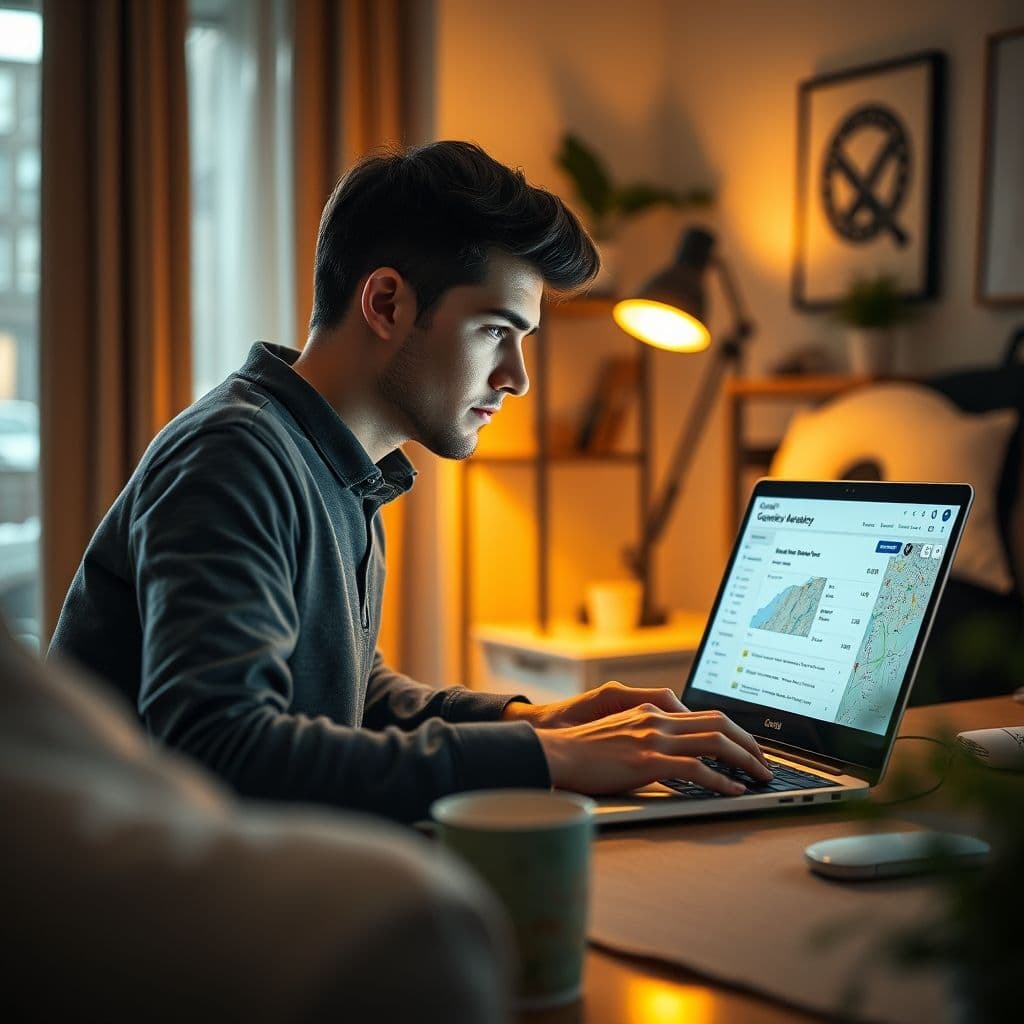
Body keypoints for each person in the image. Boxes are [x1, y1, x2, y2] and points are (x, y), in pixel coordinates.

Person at [50, 140, 772, 823]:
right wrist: (546, 756)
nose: (516, 379)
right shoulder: (234, 458)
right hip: (129, 917)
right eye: (496, 331)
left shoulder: (333, 466)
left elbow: (349, 699)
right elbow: (222, 752)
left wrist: (537, 719)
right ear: (387, 303)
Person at [3, 615, 513, 1022]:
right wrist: (542, 754)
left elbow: (344, 670)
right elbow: (226, 743)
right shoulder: (227, 481)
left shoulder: (357, 487)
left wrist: (520, 722)